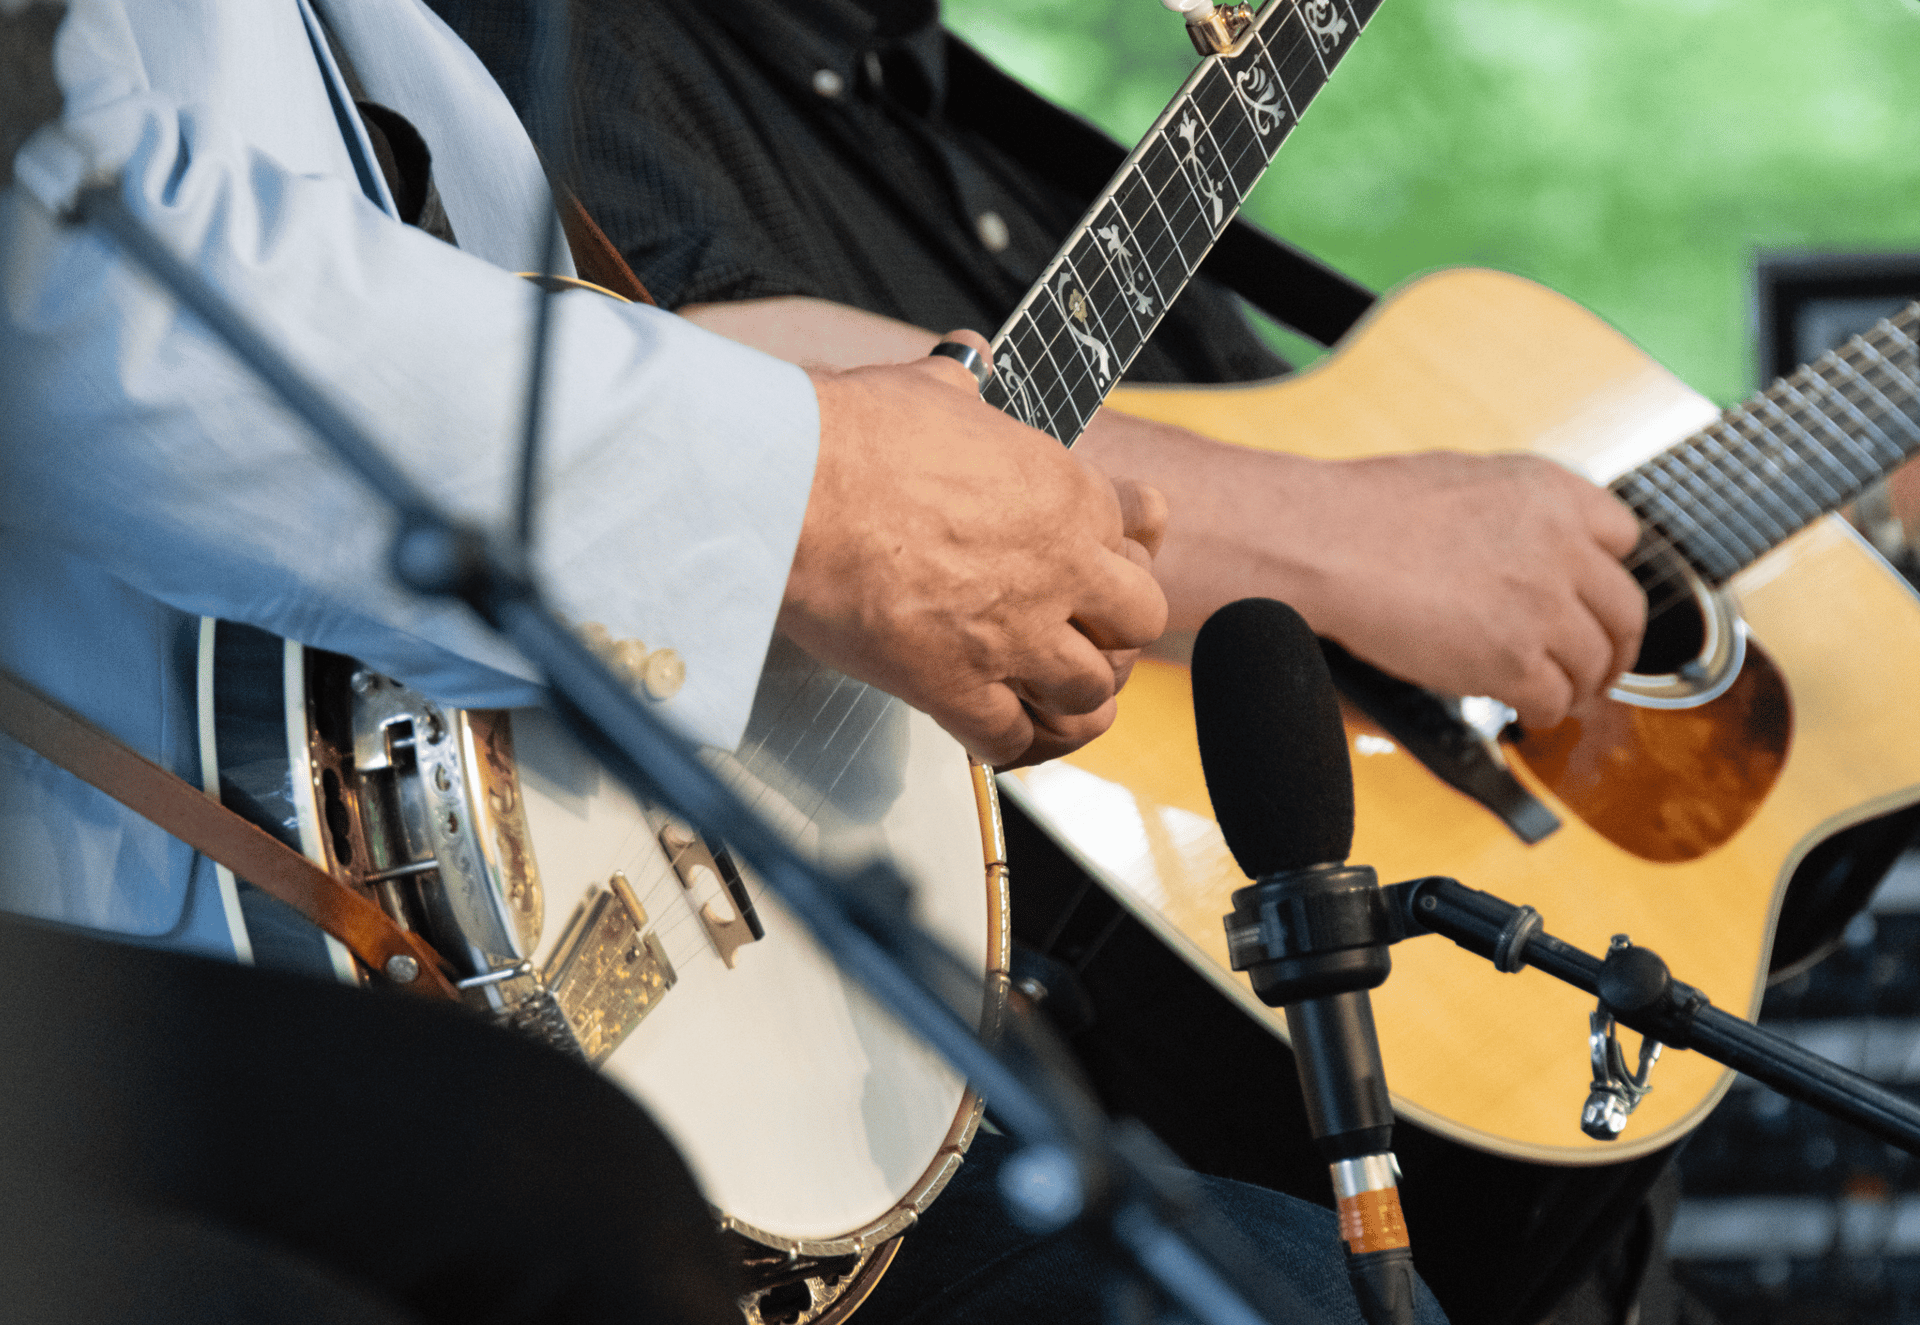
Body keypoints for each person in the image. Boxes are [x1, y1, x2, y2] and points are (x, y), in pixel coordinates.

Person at [0, 2, 1447, 1323]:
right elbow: (58, 270)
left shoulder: (420, 60)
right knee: (548, 1183)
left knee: (1263, 1282)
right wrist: (818, 499)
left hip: (666, 1085)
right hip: (174, 1040)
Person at [418, 0, 1678, 1322]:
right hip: (734, 1007)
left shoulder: (973, 126)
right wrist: (1341, 535)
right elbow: (680, 379)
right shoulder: (575, 34)